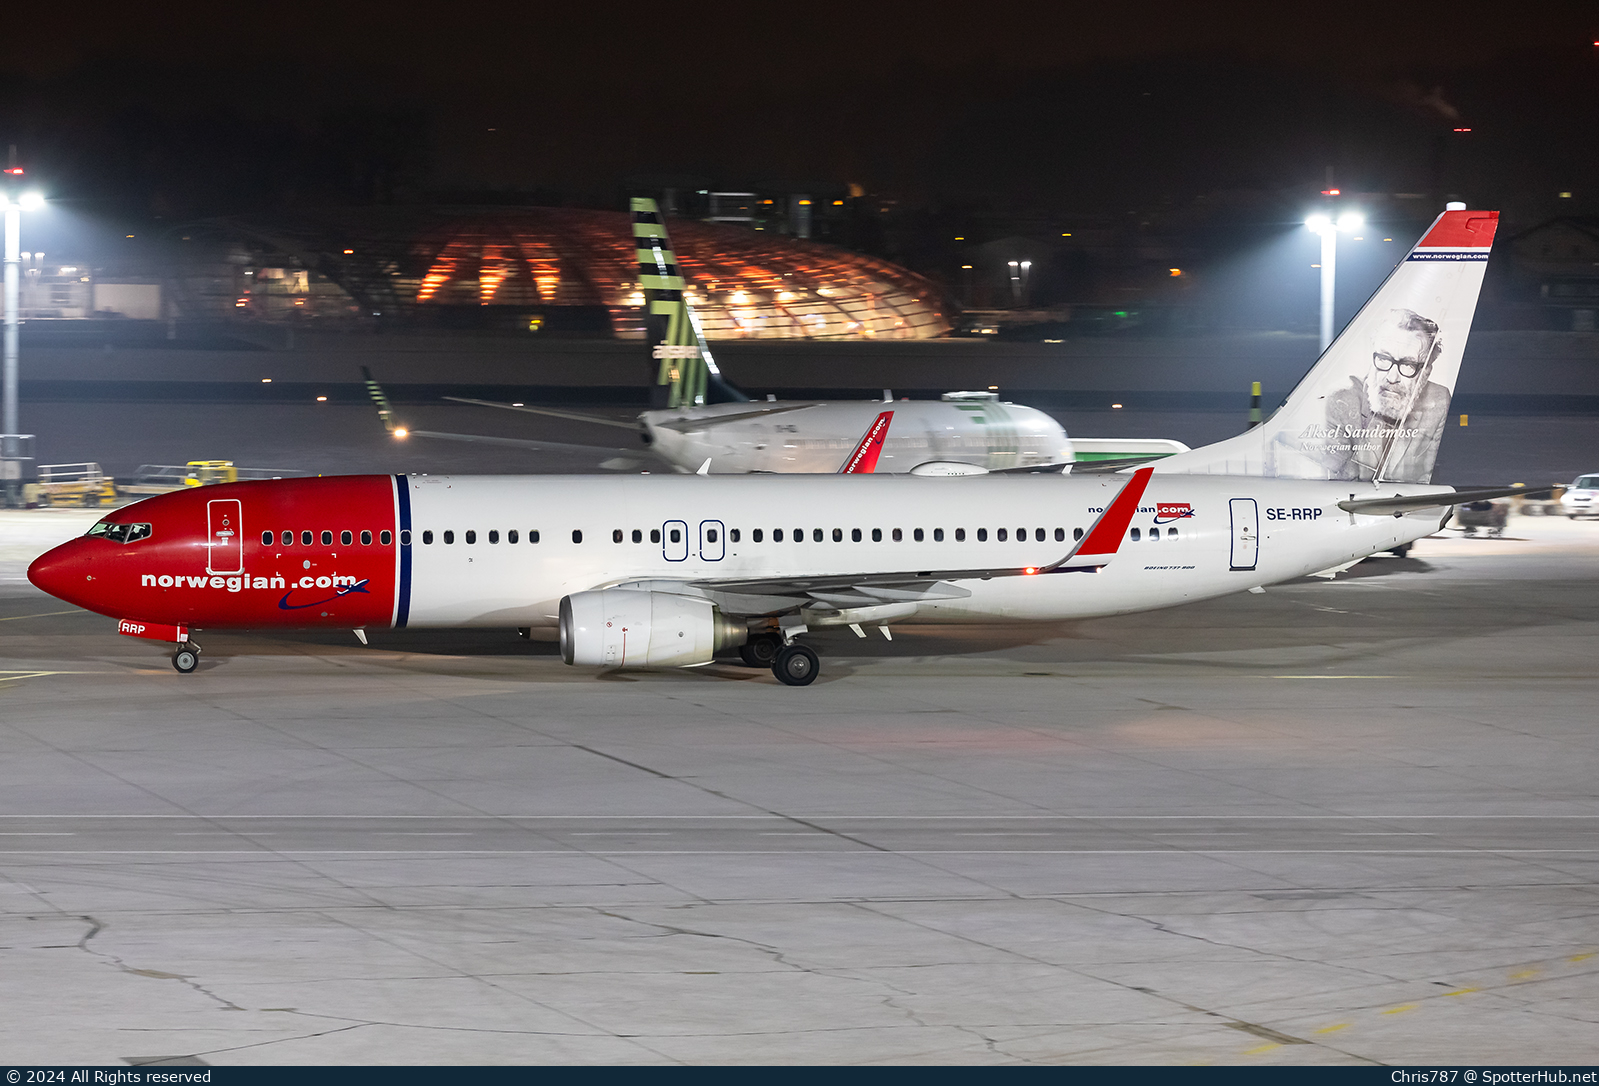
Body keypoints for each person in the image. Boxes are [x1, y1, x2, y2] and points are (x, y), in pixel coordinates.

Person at [1316, 308, 1453, 482]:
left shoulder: (1438, 400)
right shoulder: (1341, 400)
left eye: (1408, 365)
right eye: (1384, 359)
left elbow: (1427, 478)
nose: (1392, 377)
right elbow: (1336, 481)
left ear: (1425, 373)